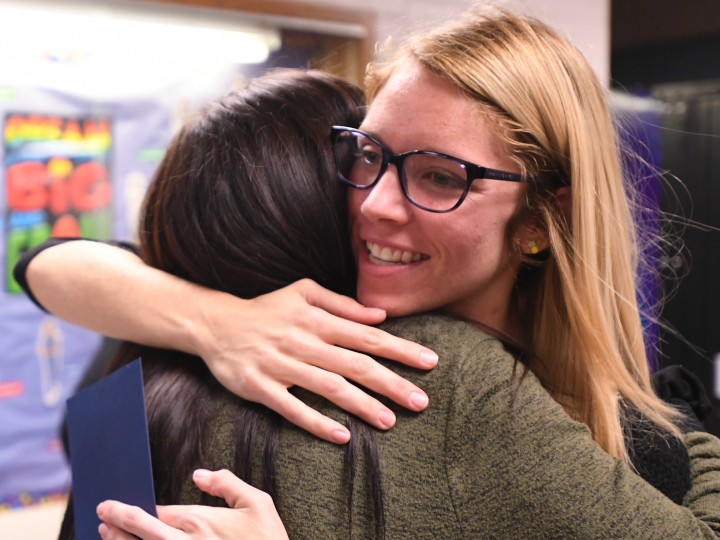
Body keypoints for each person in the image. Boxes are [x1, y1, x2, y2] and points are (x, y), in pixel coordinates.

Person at [17, 7, 720, 539]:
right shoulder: (441, 380)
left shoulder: (153, 378)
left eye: (442, 177)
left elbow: (52, 264)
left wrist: (682, 432)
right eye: (366, 154)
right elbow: (48, 264)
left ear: (542, 220)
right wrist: (220, 323)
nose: (375, 204)